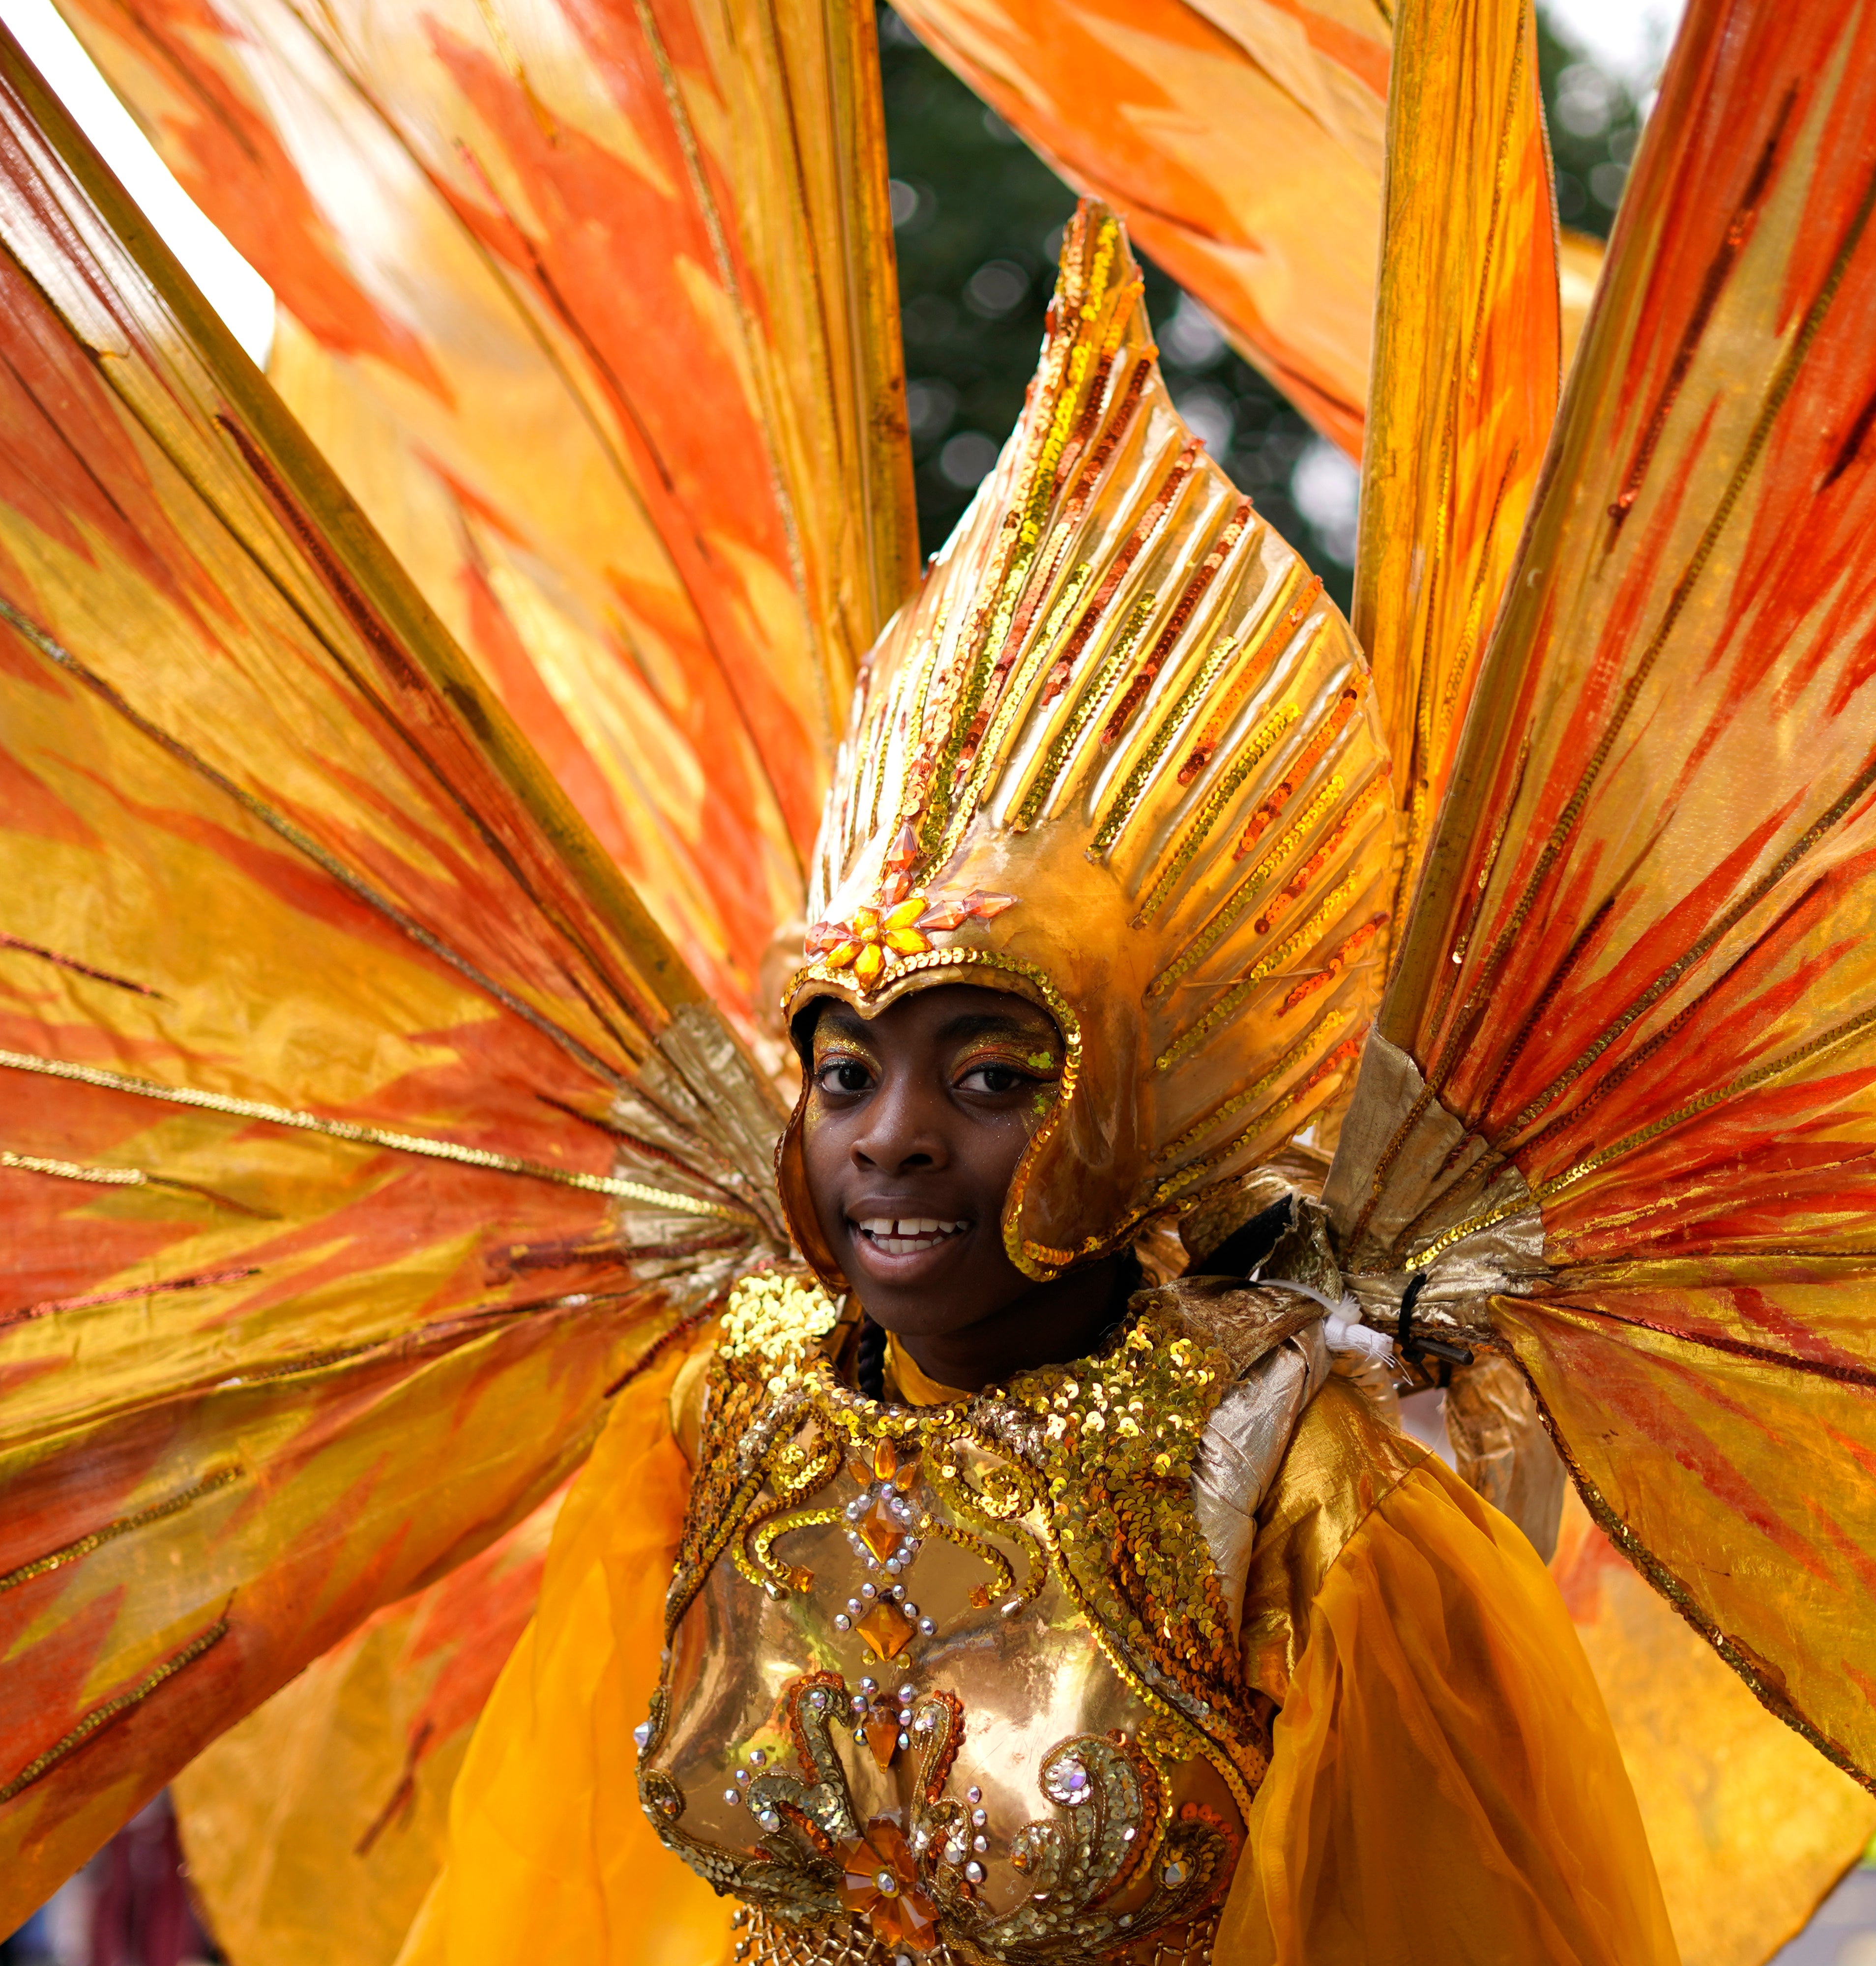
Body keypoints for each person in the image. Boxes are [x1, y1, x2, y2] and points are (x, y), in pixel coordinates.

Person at [396, 212, 1676, 1966]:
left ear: (1129, 1109)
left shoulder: (1289, 1470)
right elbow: (567, 1906)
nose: (893, 1138)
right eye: (845, 1071)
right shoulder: (716, 1413)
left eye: (990, 1074)